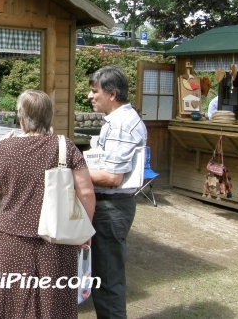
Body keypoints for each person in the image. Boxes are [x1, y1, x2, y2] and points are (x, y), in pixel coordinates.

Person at [0, 90, 95, 319]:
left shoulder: (4, 147)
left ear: (20, 117)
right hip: (57, 236)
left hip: (12, 236)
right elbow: (87, 192)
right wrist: (84, 232)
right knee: (54, 299)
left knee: (7, 296)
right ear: (49, 117)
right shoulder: (66, 146)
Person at [87, 66, 147, 319]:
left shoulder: (121, 124)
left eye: (94, 91)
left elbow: (112, 177)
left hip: (112, 208)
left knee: (108, 279)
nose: (90, 96)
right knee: (103, 275)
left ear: (111, 94)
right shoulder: (117, 120)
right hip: (110, 206)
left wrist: (71, 173)